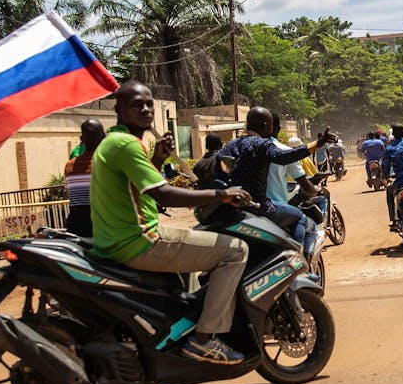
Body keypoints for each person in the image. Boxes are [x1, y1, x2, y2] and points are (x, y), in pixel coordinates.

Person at [90, 81, 253, 365]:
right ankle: (204, 339)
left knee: (194, 242)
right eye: (136, 104)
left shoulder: (116, 141)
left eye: (148, 103)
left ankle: (184, 324)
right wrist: (222, 194)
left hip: (119, 239)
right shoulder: (126, 144)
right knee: (236, 250)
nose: (144, 109)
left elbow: (134, 188)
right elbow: (163, 193)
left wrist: (156, 158)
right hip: (141, 240)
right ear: (118, 109)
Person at [218, 107, 335, 260]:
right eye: (271, 125)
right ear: (265, 125)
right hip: (261, 207)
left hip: (234, 208)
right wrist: (319, 143)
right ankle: (298, 261)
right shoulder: (261, 144)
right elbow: (285, 157)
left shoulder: (231, 146)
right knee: (302, 219)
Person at [64, 119, 106, 237]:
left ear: (82, 140)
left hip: (75, 228)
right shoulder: (106, 164)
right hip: (102, 230)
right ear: (104, 138)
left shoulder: (69, 166)